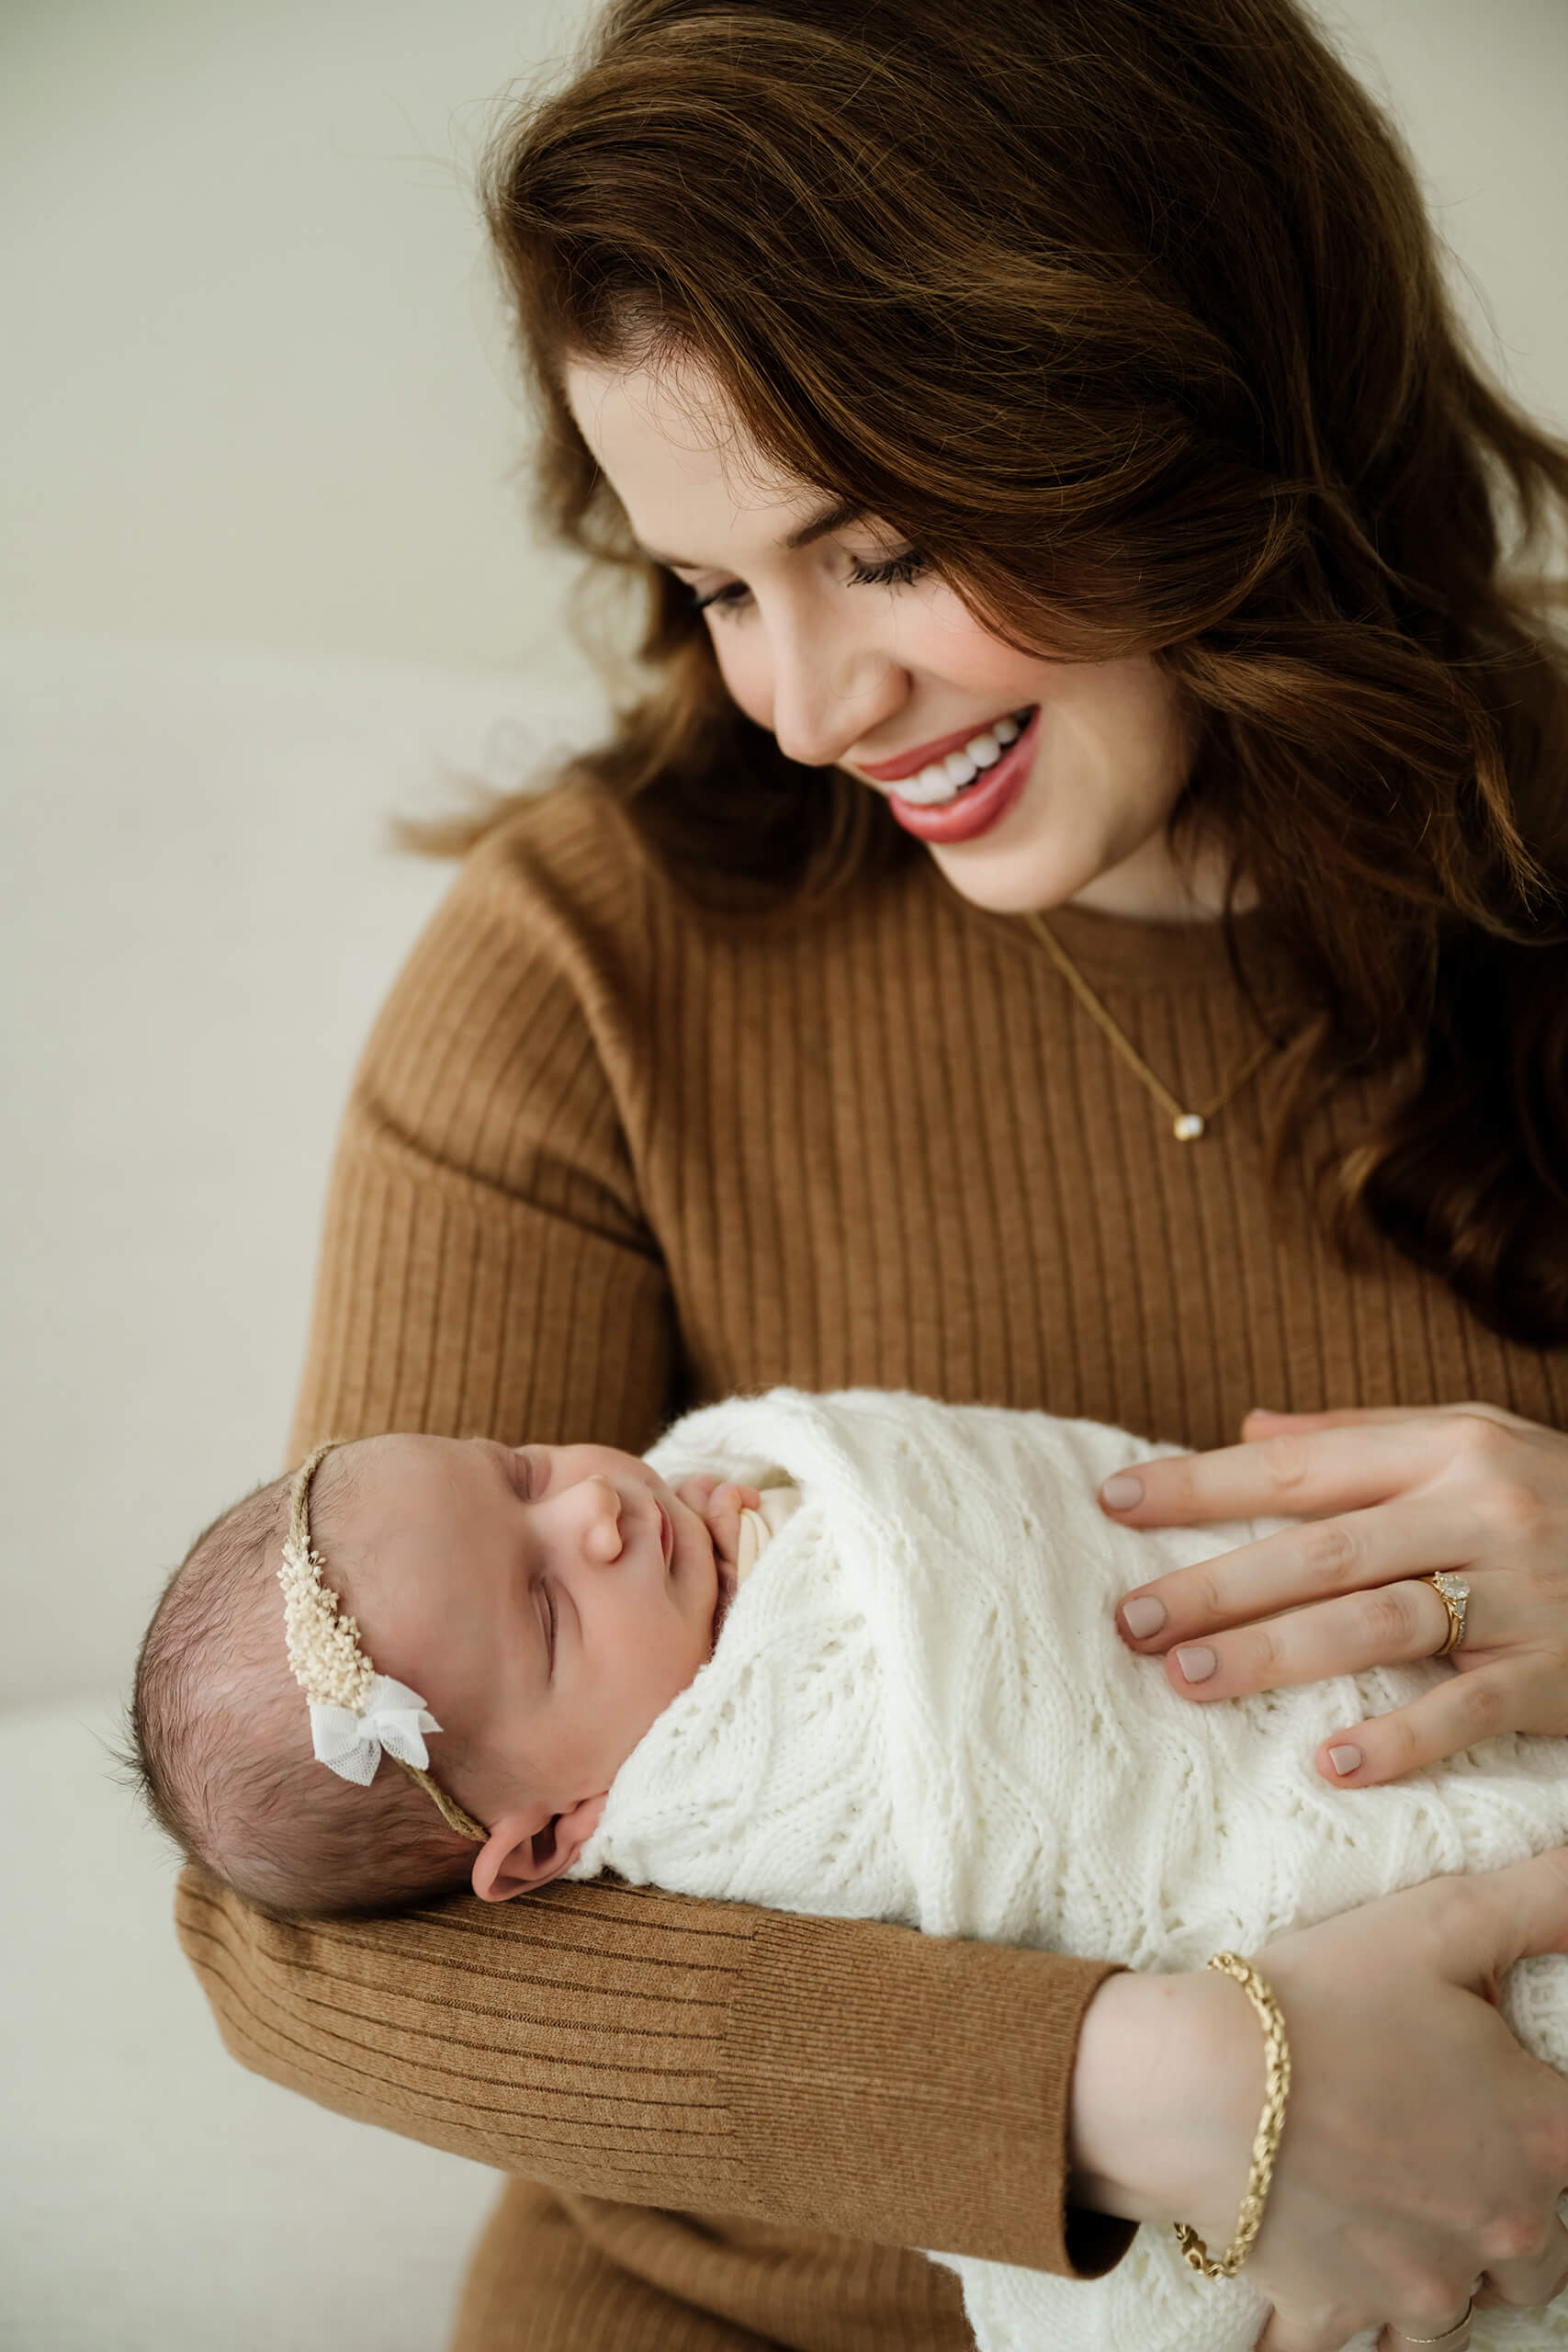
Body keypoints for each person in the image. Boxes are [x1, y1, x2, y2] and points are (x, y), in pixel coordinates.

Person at [171, 3, 1568, 2349]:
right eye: (715, 586)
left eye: (885, 547)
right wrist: (1136, 2091)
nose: (806, 707)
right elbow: (312, 1914)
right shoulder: (586, 967)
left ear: (1201, 406)